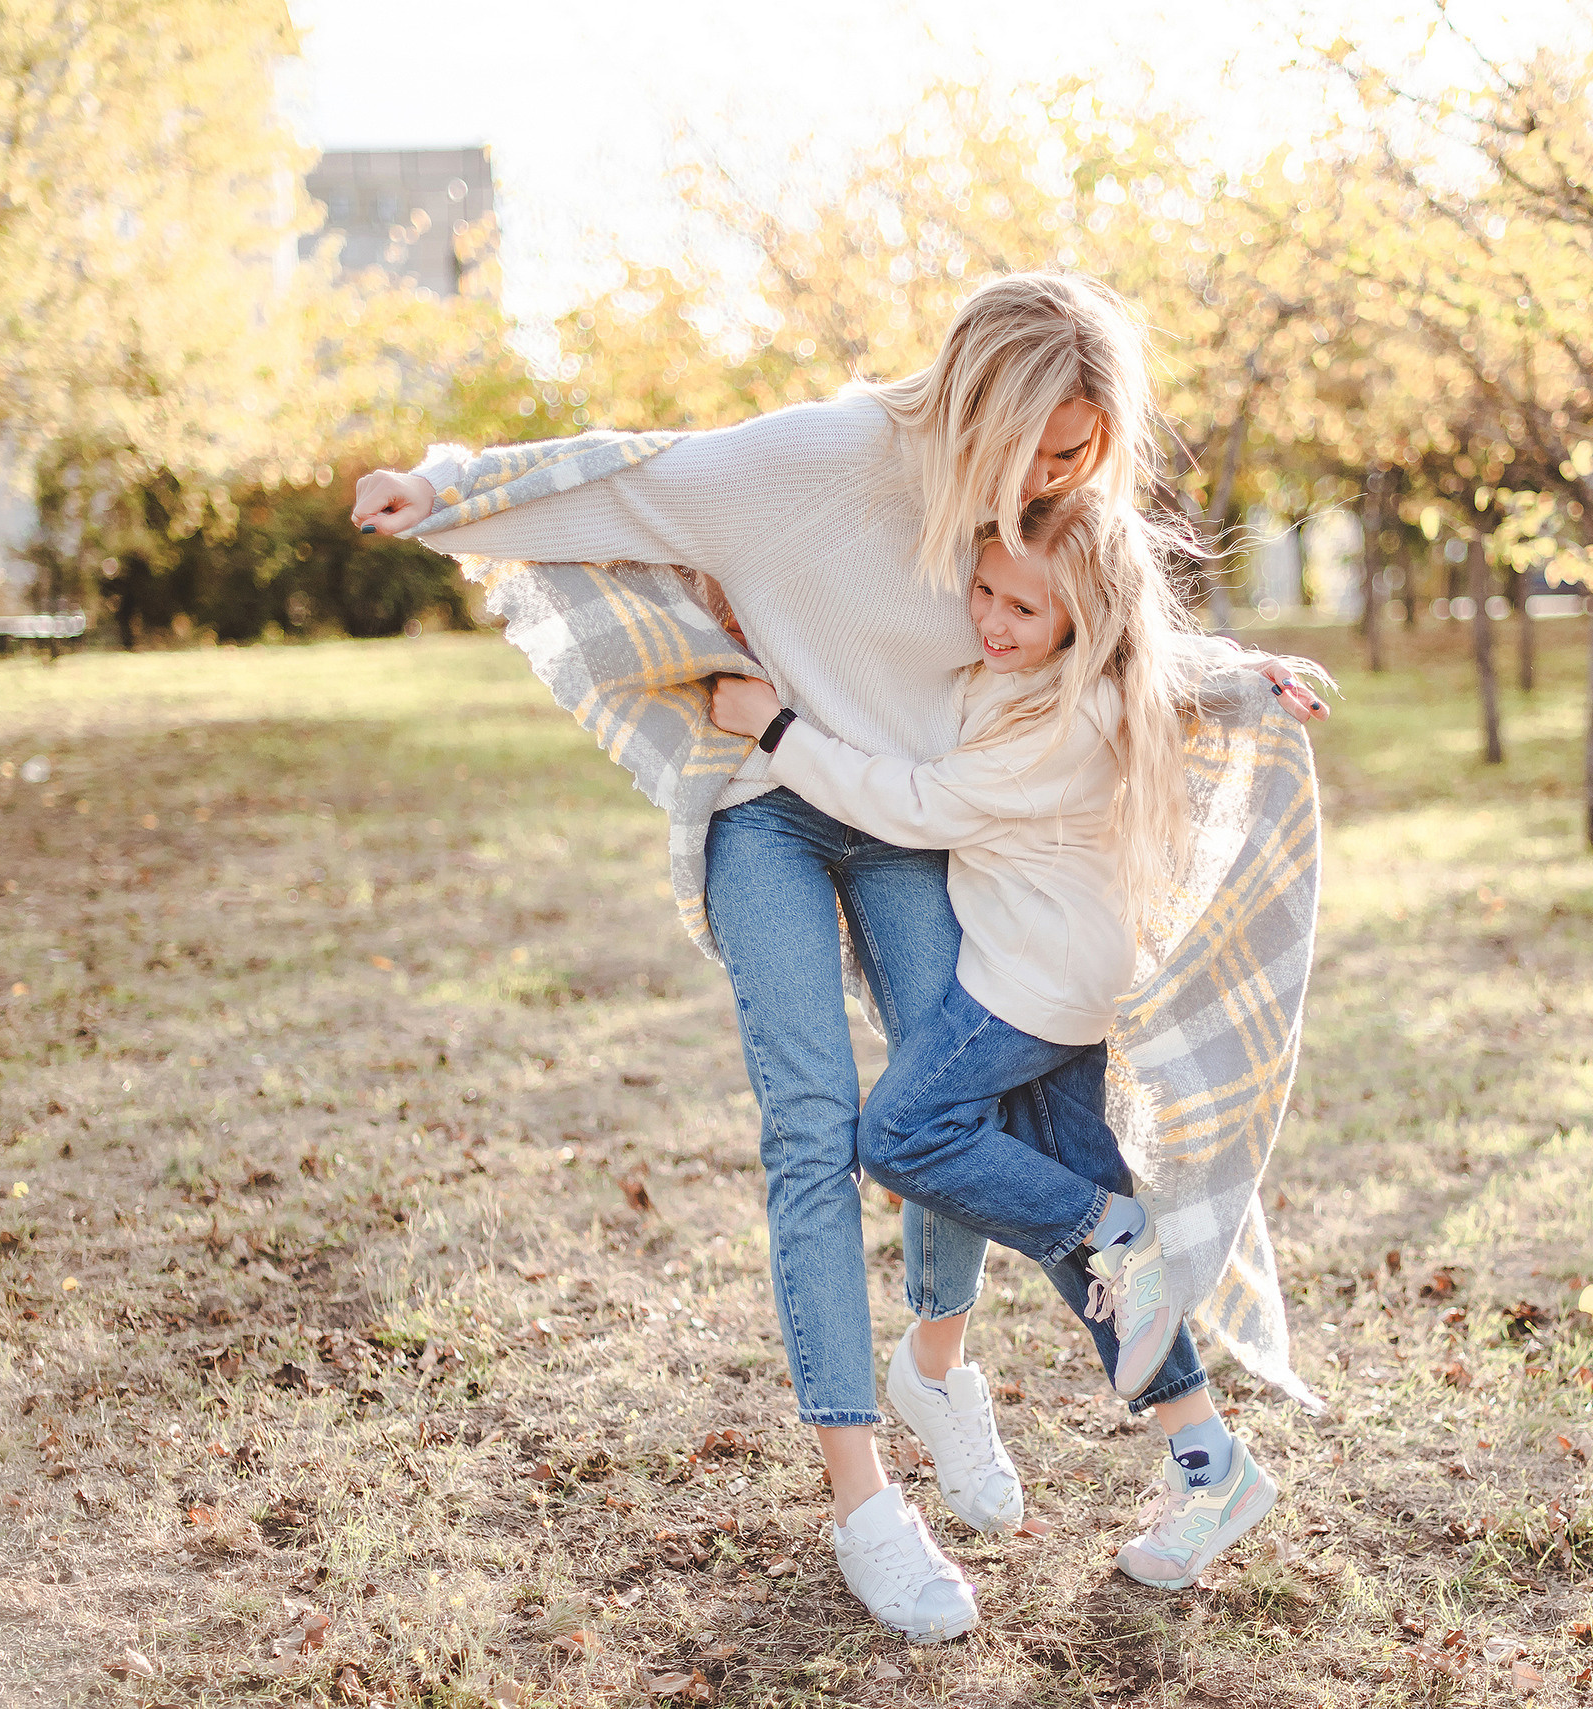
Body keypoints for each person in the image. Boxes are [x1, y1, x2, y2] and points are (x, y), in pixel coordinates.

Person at [352, 272, 1321, 1644]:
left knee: (956, 1110)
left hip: (910, 817)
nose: (1051, 486)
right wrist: (441, 491)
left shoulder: (1038, 509)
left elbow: (1100, 628)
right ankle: (867, 1499)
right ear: (976, 405)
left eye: (1077, 459)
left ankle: (965, 1375)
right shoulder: (812, 462)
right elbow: (631, 481)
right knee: (817, 1127)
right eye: (1040, 451)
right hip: (772, 807)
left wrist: (1237, 671)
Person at [706, 488, 1295, 1588]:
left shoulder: (1061, 721)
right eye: (982, 589)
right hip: (1065, 980)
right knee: (1107, 1261)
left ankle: (1103, 1229)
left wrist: (774, 729)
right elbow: (1152, 654)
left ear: (1084, 621)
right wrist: (1237, 668)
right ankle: (1208, 1458)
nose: (991, 618)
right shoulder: (1065, 679)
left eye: (1025, 607)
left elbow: (918, 803)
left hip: (1025, 987)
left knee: (902, 1134)